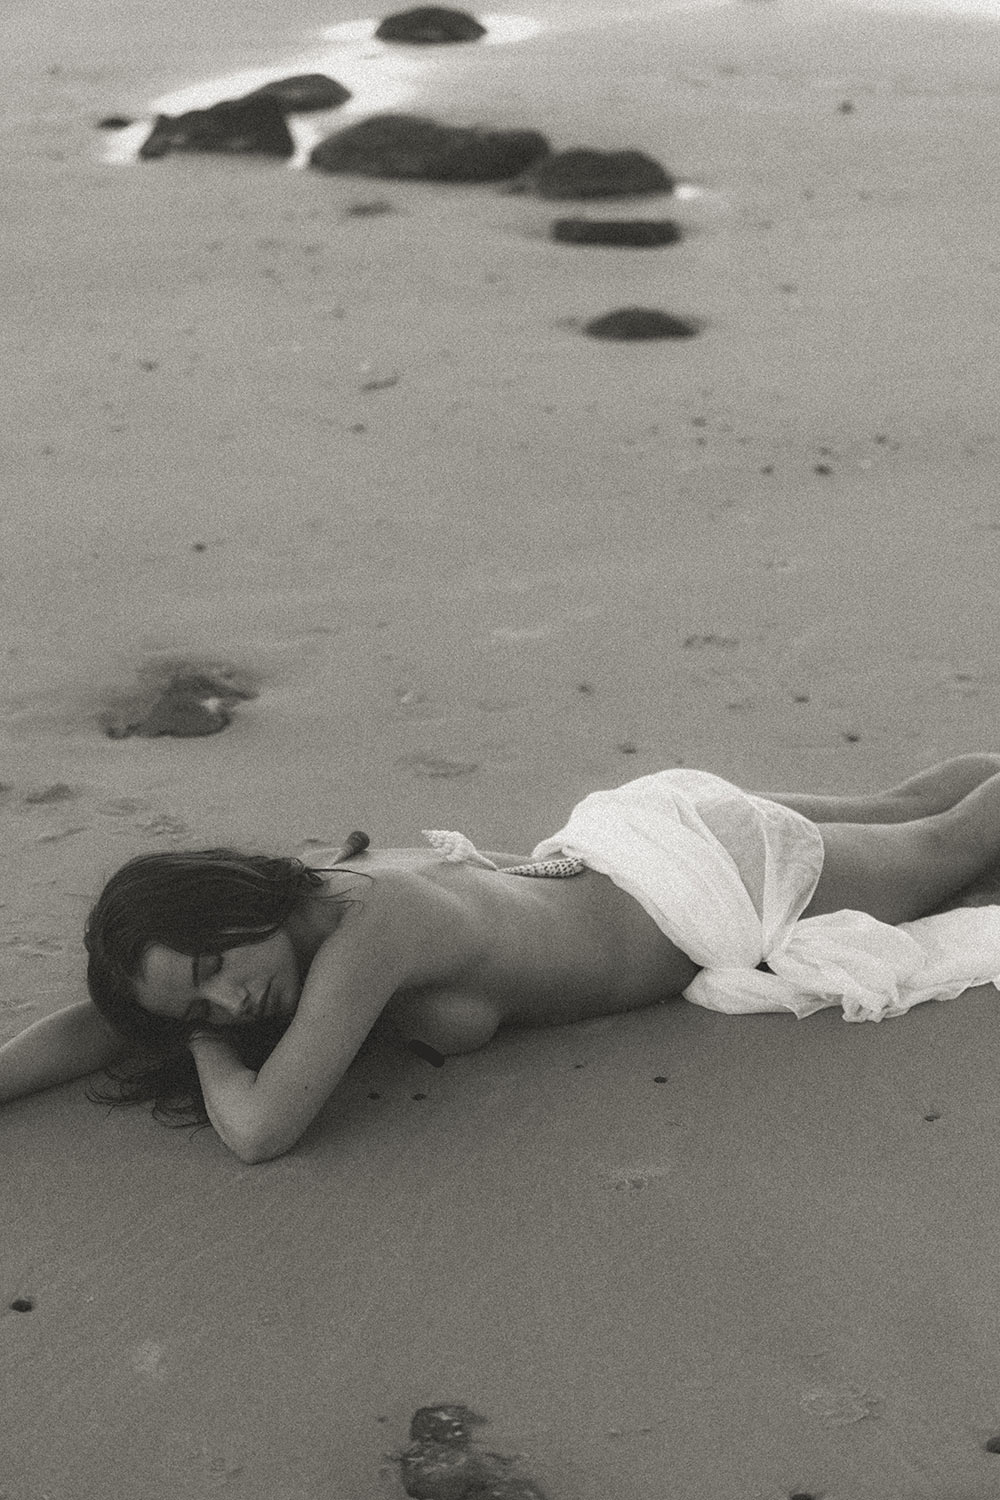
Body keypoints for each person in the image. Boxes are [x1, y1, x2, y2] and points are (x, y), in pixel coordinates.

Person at [5, 755, 1000, 1165]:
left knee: (952, 843)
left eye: (211, 970)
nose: (232, 1001)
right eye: (205, 1009)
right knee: (904, 812)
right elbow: (110, 1022)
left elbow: (262, 1131)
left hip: (708, 886)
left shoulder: (374, 928)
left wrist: (208, 1054)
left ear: (224, 906)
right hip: (630, 839)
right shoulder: (304, 896)